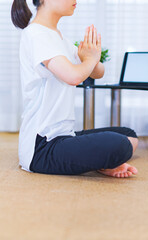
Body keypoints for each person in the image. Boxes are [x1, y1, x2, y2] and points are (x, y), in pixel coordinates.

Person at [11, 0, 139, 178]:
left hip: (65, 136)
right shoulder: (36, 34)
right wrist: (90, 59)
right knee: (121, 145)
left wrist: (91, 56)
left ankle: (101, 162)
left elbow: (98, 72)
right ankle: (103, 161)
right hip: (42, 148)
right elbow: (74, 76)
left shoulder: (58, 37)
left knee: (128, 135)